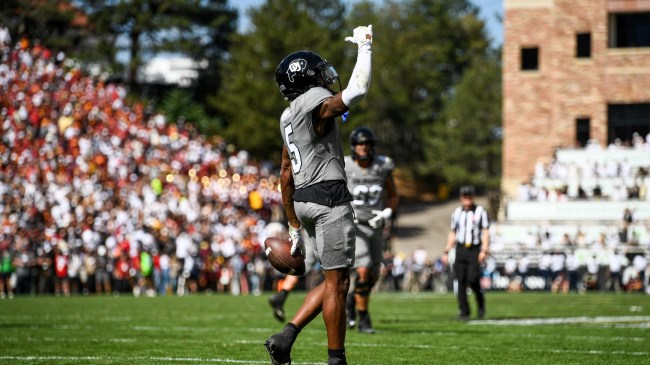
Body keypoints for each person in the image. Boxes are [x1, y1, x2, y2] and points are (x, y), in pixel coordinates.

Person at [264, 24, 374, 365]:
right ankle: (336, 359)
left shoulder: (287, 116)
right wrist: (366, 48)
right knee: (339, 286)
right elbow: (356, 91)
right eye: (318, 75)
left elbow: (285, 173)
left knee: (332, 279)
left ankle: (287, 336)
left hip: (305, 201)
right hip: (328, 199)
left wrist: (294, 224)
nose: (324, 80)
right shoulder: (312, 101)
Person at [343, 126, 399, 333]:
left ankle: (351, 298)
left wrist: (386, 213)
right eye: (359, 144)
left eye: (366, 144)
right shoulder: (346, 165)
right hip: (355, 224)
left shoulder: (382, 166)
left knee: (375, 273)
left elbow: (393, 195)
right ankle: (364, 319)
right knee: (364, 268)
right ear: (353, 146)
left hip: (376, 224)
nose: (363, 148)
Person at [441, 185, 489, 321]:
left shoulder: (480, 212)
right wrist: (446, 250)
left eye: (469, 196)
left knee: (473, 279)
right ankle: (464, 311)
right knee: (460, 280)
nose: (467, 199)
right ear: (461, 197)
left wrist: (484, 250)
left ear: (473, 197)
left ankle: (480, 304)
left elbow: (485, 231)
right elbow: (453, 232)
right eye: (465, 196)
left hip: (474, 249)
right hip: (461, 248)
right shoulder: (457, 213)